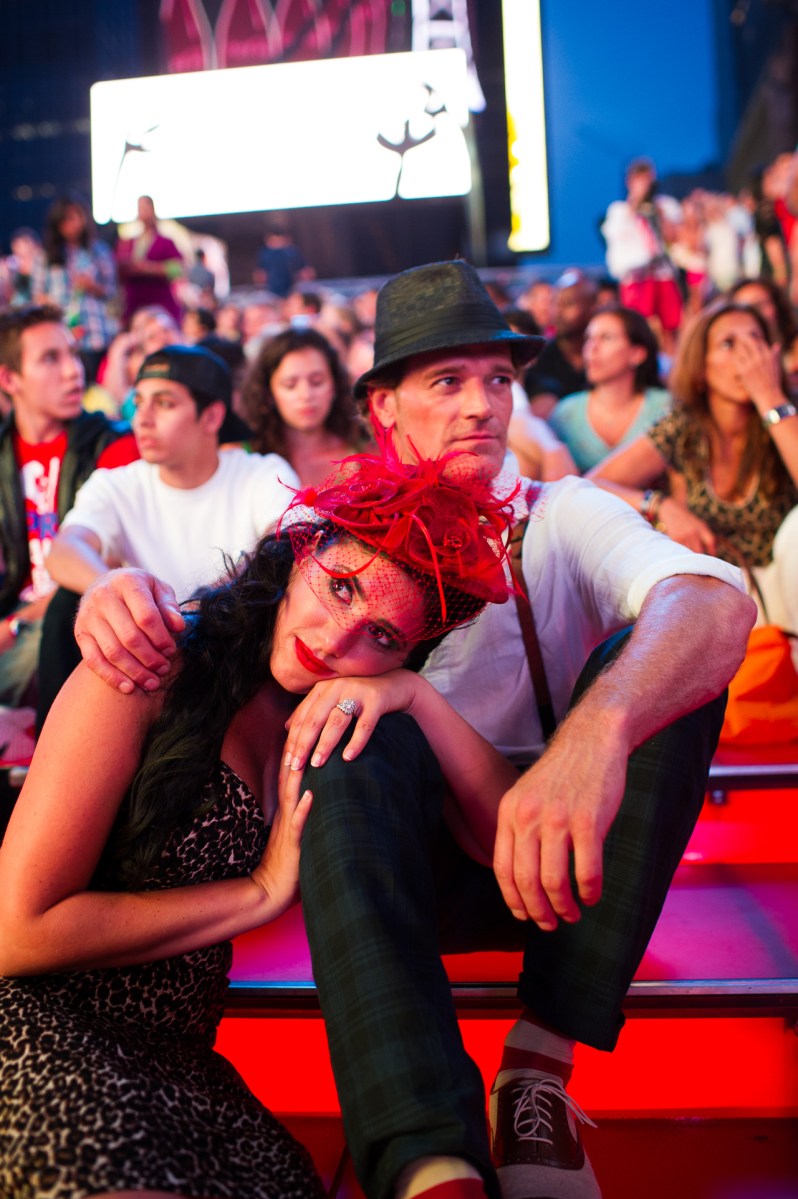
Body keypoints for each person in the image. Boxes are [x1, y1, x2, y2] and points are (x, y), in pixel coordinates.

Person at [70, 261, 755, 1199]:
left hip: (568, 866)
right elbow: (218, 625)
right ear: (384, 406)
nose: (482, 405)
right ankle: (430, 1163)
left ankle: (539, 1073)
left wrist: (595, 734)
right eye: (448, 380)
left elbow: (716, 602)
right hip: (383, 867)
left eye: (500, 380)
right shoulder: (327, 524)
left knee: (670, 660)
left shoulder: (560, 514)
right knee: (348, 727)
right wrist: (116, 591)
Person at [0, 449, 522, 1199]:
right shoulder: (153, 657)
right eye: (339, 588)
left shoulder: (337, 713)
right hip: (41, 1034)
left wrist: (416, 696)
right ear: (302, 546)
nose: (338, 638)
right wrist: (258, 890)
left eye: (382, 635)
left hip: (184, 1065)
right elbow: (17, 931)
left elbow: (510, 837)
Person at [41, 343, 297, 722]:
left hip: (232, 657)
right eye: (139, 401)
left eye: (163, 403)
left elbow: (288, 543)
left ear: (211, 417)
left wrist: (204, 606)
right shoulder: (117, 483)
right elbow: (65, 549)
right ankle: (52, 748)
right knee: (69, 604)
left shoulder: (260, 473)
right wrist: (114, 586)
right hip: (144, 654)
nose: (141, 418)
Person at [589, 299, 798, 635]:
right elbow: (592, 484)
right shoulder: (684, 427)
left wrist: (771, 400)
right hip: (714, 595)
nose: (748, 356)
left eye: (756, 340)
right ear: (701, 369)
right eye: (729, 344)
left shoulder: (788, 415)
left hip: (786, 591)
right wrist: (660, 504)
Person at [0, 304, 137, 710]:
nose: (73, 371)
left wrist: (15, 624)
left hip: (75, 615)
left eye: (73, 354)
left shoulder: (113, 445)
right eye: (50, 358)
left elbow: (113, 560)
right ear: (10, 379)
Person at [548, 305, 671, 474]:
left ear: (637, 354)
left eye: (606, 338)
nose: (592, 348)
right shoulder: (565, 414)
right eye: (589, 338)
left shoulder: (666, 408)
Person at [242, 326, 365, 486]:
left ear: (334, 385)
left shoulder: (364, 451)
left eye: (317, 382)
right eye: (290, 385)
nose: (306, 395)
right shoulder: (247, 458)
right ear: (268, 393)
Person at [601, 158, 683, 355]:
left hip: (662, 273)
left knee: (670, 328)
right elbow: (615, 239)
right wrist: (636, 204)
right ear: (630, 181)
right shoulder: (619, 210)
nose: (646, 184)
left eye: (649, 179)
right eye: (641, 179)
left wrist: (658, 215)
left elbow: (674, 238)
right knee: (639, 328)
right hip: (636, 278)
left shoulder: (665, 206)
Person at [40, 195, 119, 383]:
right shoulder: (47, 256)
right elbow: (38, 294)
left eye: (77, 216)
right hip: (63, 332)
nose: (72, 223)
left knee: (94, 387)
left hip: (95, 334)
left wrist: (91, 286)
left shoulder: (98, 250)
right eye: (67, 218)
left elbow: (111, 291)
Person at [522, 269, 596, 418]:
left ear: (591, 308)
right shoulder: (541, 359)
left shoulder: (604, 355)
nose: (558, 311)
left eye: (568, 304)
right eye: (556, 303)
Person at [116, 194, 184, 327]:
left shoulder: (165, 242)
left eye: (145, 208)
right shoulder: (127, 243)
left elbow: (178, 270)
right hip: (134, 305)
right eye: (140, 208)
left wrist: (149, 268)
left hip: (160, 303)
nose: (142, 212)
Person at [729, 275, 798, 397]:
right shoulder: (731, 359)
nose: (754, 314)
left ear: (777, 306)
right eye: (745, 309)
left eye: (760, 305)